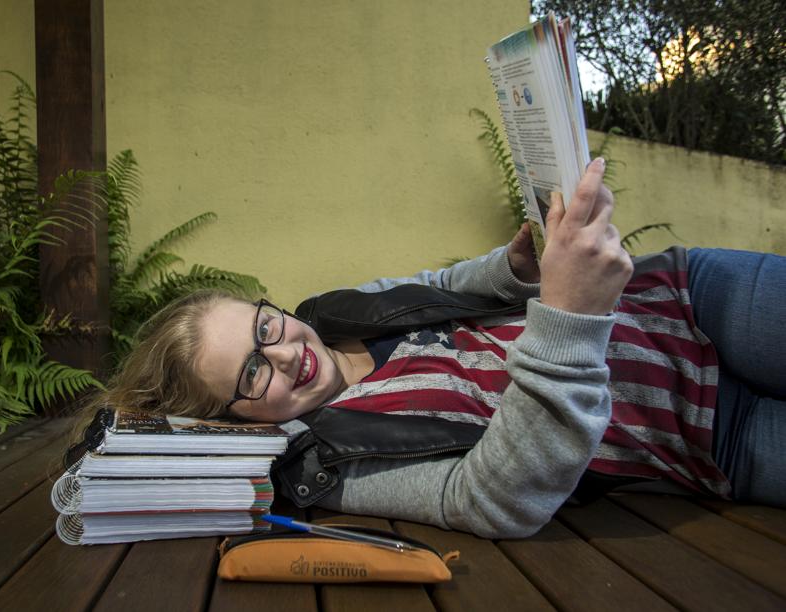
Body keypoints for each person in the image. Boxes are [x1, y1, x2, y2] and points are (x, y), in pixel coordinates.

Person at [97, 159, 785, 538]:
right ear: (234, 421)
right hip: (710, 433)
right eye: (251, 371)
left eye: (264, 327)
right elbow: (491, 500)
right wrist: (570, 314)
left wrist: (509, 271)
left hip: (688, 295)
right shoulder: (332, 464)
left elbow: (433, 286)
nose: (282, 352)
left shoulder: (328, 313)